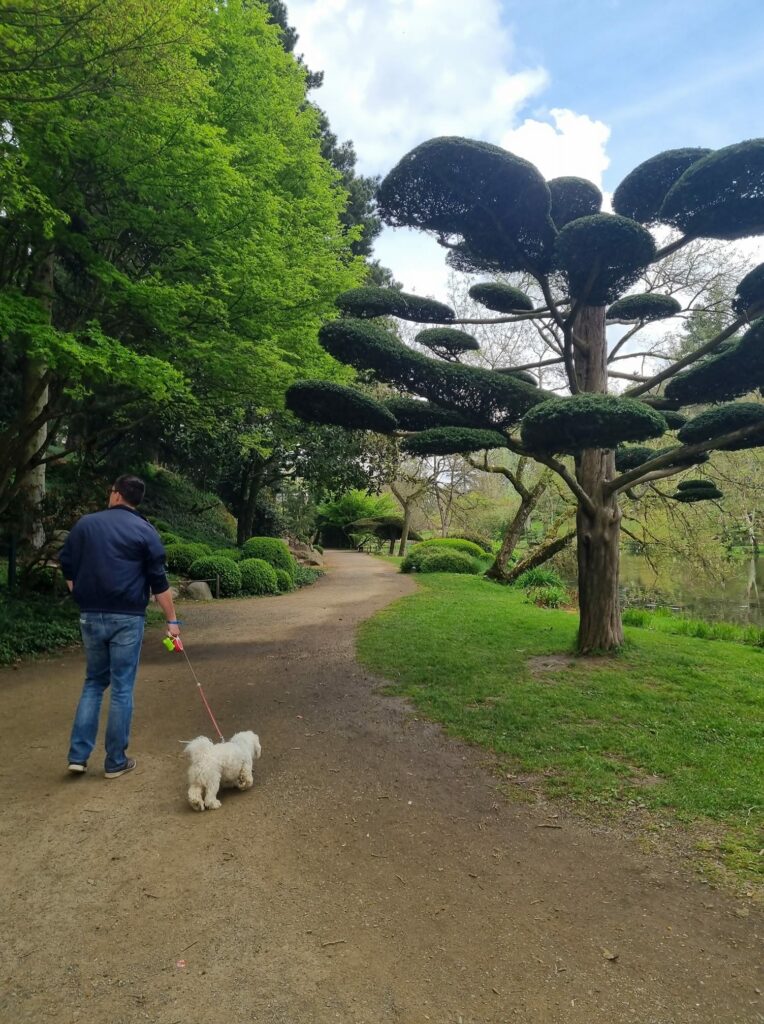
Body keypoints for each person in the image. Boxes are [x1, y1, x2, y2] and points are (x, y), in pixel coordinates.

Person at [59, 474, 181, 778]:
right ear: (136, 500)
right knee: (122, 688)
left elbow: (68, 565)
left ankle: (78, 756)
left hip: (90, 613)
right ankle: (115, 762)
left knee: (93, 683)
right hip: (127, 617)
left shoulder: (86, 524)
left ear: (115, 495)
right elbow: (159, 583)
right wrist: (172, 622)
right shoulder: (146, 531)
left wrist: (80, 592)